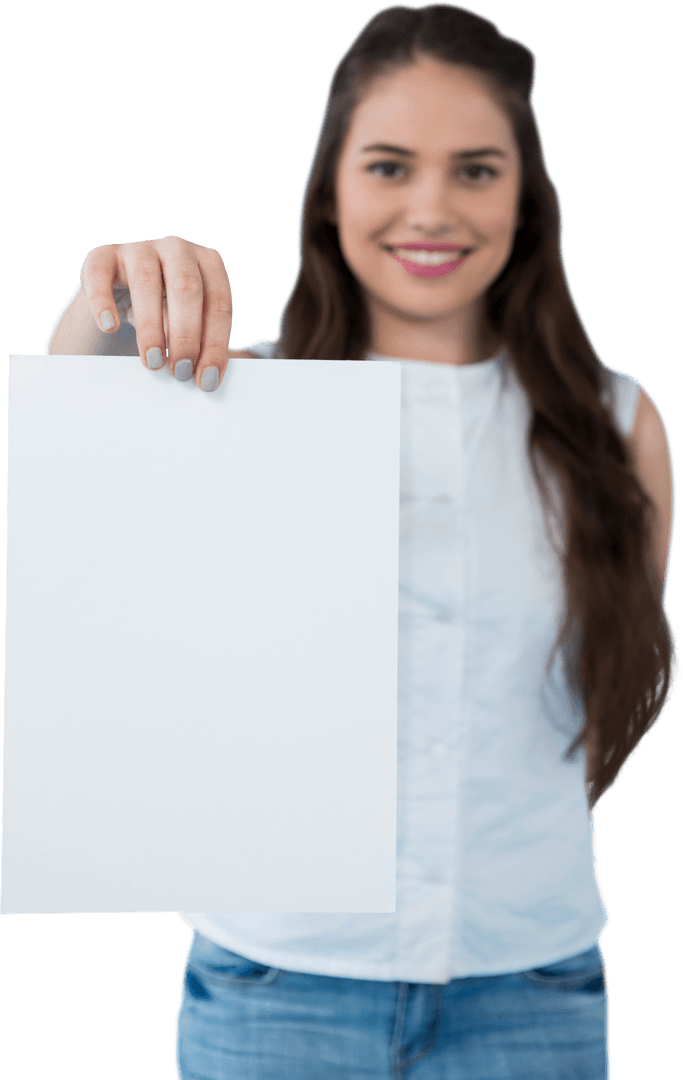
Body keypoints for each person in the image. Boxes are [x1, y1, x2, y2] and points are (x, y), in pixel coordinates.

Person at [46, 4, 677, 1078]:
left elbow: (605, 691)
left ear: (524, 200)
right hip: (273, 992)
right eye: (387, 165)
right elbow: (82, 452)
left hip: (534, 992)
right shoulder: (226, 400)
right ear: (328, 189)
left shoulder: (619, 426)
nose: (430, 207)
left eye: (475, 169)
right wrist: (112, 296)